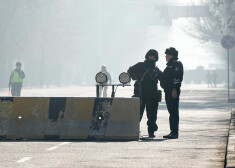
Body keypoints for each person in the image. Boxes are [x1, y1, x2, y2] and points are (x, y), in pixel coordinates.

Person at [127, 49, 162, 138]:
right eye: (150, 56)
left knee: (152, 116)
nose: (152, 58)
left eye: (154, 57)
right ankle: (134, 131)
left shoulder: (156, 70)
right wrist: (134, 77)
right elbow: (130, 71)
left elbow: (163, 79)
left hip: (153, 95)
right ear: (147, 56)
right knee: (137, 114)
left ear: (156, 59)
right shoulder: (140, 66)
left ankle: (151, 132)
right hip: (141, 94)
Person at [160, 47, 183, 139]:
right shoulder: (170, 65)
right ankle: (172, 131)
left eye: (168, 54)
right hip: (168, 90)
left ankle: (174, 133)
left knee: (173, 111)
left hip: (172, 91)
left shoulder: (176, 64)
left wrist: (174, 89)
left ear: (172, 55)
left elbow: (177, 78)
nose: (166, 56)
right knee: (171, 111)